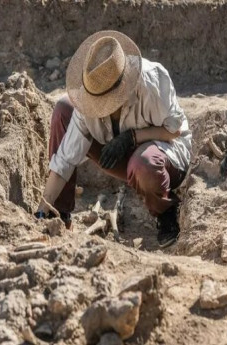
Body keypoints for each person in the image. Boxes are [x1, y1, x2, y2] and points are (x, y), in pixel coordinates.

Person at [34, 30, 192, 248]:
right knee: (63, 109)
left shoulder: (152, 80)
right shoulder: (89, 98)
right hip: (122, 156)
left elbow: (174, 130)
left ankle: (165, 212)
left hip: (166, 154)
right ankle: (58, 215)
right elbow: (65, 158)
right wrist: (43, 207)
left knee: (143, 163)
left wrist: (132, 137)